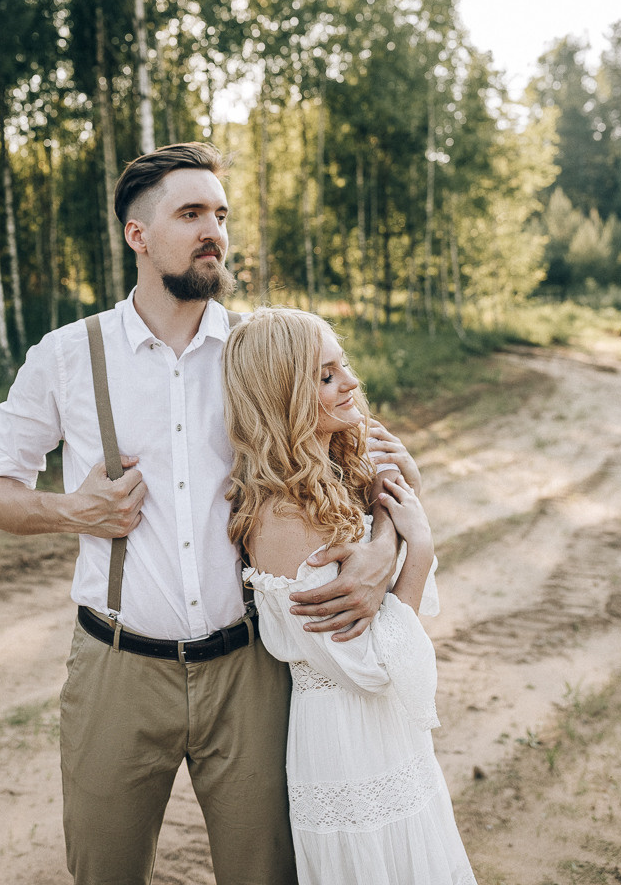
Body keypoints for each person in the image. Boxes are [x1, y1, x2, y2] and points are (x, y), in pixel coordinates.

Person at [0, 142, 421, 885]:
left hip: (251, 669)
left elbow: (378, 462)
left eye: (220, 214)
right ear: (137, 235)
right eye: (190, 213)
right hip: (115, 668)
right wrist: (69, 510)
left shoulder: (263, 348)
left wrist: (379, 550)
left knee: (270, 873)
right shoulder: (67, 356)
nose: (213, 229)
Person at [222, 307, 477, 885]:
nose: (352, 383)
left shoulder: (336, 474)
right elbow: (370, 664)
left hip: (386, 736)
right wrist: (420, 545)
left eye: (343, 367)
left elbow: (389, 597)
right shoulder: (284, 519)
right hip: (347, 745)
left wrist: (399, 494)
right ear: (283, 394)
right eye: (327, 375)